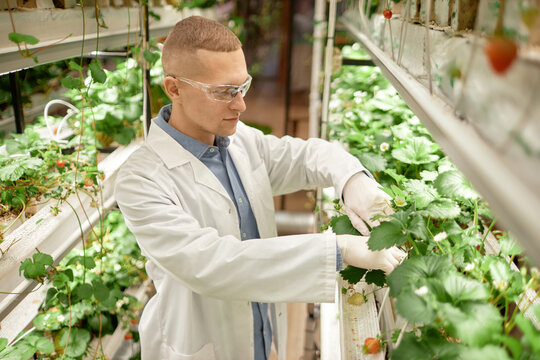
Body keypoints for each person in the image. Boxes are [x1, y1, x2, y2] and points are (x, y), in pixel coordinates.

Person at [114, 15, 405, 360]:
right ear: (174, 88)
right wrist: (339, 250)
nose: (241, 105)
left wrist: (352, 181)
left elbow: (306, 156)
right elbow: (212, 264)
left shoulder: (241, 141)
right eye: (223, 92)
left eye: (242, 87)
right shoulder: (141, 179)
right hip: (202, 346)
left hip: (262, 336)